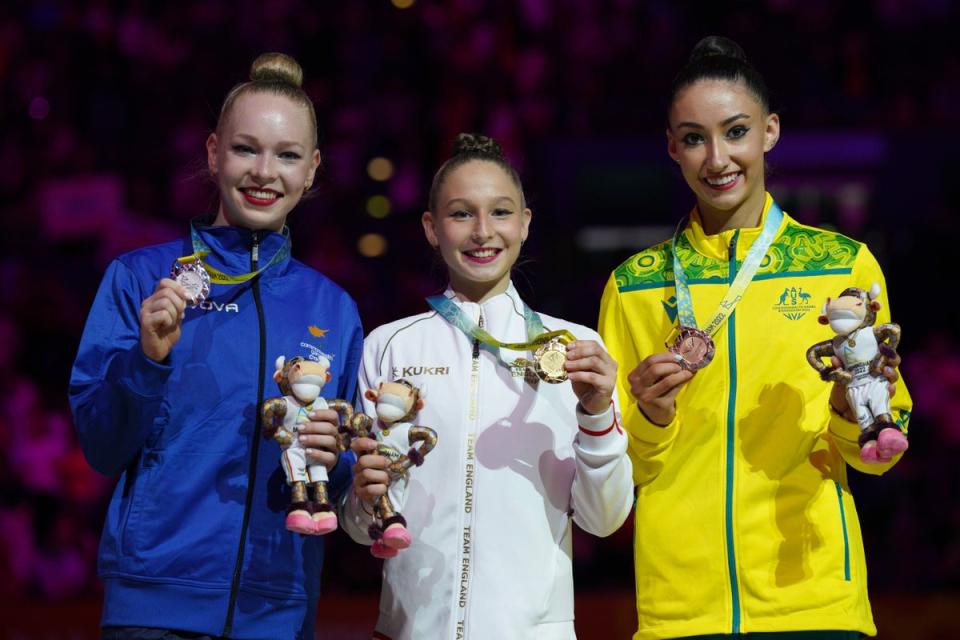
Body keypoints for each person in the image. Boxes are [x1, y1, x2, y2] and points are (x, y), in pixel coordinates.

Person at [598, 36, 912, 640]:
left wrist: (850, 413)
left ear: (769, 131)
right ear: (672, 147)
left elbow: (881, 446)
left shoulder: (843, 265)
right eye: (694, 138)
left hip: (815, 601)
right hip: (679, 612)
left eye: (735, 131)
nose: (717, 158)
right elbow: (615, 474)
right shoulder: (634, 286)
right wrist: (651, 419)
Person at [69, 53, 362, 640]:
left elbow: (343, 471)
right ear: (211, 153)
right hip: (154, 610)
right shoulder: (141, 280)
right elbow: (101, 447)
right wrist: (147, 361)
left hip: (278, 611)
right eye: (245, 149)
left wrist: (338, 458)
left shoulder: (332, 308)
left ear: (311, 170)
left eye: (287, 156)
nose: (264, 172)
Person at [341, 133, 634, 639]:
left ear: (525, 223)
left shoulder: (576, 348)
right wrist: (363, 500)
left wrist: (597, 415)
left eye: (500, 212)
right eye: (460, 214)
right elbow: (359, 522)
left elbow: (604, 519)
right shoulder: (388, 347)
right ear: (432, 228)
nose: (482, 232)